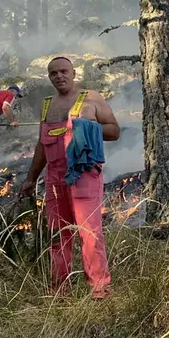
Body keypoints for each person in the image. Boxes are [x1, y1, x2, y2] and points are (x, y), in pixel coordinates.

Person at [18, 57, 120, 299]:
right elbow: (42, 145)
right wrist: (31, 178)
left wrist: (90, 127)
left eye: (64, 71)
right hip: (54, 179)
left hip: (84, 174)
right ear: (49, 77)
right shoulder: (47, 105)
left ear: (73, 73)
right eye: (53, 73)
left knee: (89, 233)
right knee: (57, 234)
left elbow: (114, 131)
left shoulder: (92, 98)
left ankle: (99, 290)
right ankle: (59, 290)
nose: (59, 76)